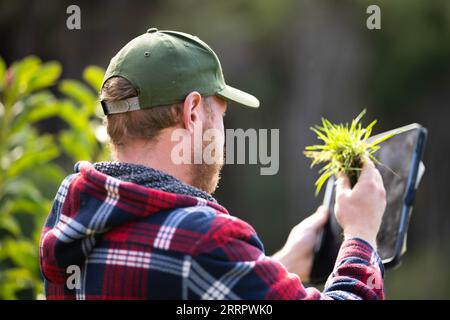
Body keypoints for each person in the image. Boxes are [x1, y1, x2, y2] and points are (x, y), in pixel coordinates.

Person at [39, 28, 386, 300]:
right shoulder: (204, 240)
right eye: (219, 115)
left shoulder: (72, 208)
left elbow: (173, 283)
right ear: (191, 112)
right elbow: (190, 259)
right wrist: (361, 233)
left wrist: (280, 266)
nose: (222, 135)